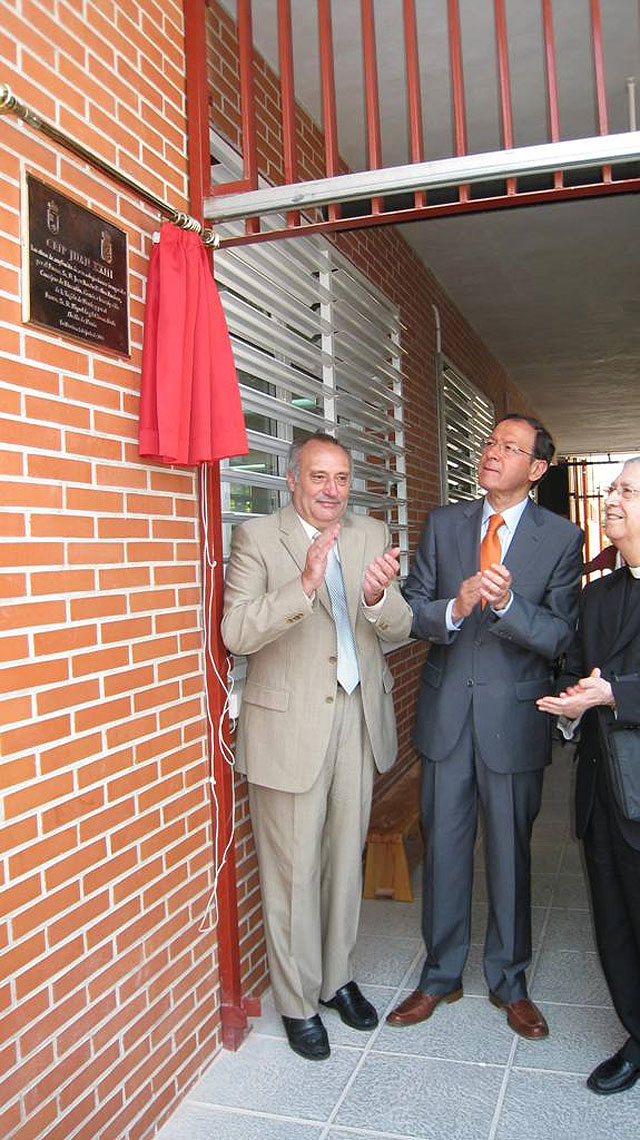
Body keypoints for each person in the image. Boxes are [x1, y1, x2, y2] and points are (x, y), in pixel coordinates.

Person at [387, 414, 583, 1039]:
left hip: (513, 723)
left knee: (509, 855)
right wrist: (457, 604)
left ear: (538, 468)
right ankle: (440, 976)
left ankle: (510, 981)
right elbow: (415, 610)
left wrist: (505, 605)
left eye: (510, 447)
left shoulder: (560, 538)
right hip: (447, 719)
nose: (493, 453)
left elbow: (560, 635)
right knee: (444, 849)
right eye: (491, 442)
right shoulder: (445, 525)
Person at [221, 432, 412, 1060]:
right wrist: (303, 585)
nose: (333, 490)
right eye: (319, 477)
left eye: (341, 477)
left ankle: (336, 979)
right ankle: (298, 1002)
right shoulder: (257, 537)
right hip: (289, 728)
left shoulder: (369, 536)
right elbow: (237, 631)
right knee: (293, 872)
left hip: (357, 716)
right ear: (292, 479)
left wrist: (378, 598)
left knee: (341, 860)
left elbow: (402, 626)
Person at [537, 457, 640, 1094]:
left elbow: (611, 687)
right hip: (604, 785)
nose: (611, 500)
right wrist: (572, 703)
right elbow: (577, 668)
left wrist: (614, 695)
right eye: (610, 490)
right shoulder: (599, 591)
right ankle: (636, 1031)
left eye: (627, 490)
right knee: (614, 917)